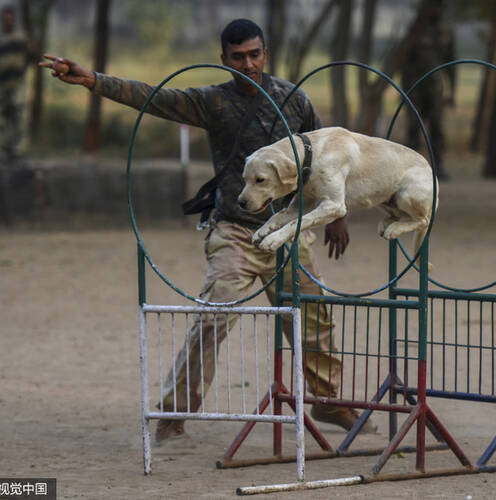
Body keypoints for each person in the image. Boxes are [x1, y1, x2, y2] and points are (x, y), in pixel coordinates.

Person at [41, 19, 375, 444]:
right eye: (238, 57)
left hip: (289, 231)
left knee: (313, 317)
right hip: (236, 231)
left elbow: (325, 156)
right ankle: (174, 413)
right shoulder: (212, 103)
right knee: (213, 316)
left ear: (265, 54)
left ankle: (329, 400)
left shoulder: (294, 100)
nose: (248, 64)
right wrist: (93, 80)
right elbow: (155, 99)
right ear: (224, 60)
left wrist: (337, 213)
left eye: (254, 55)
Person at [401, 0, 456, 180]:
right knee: (413, 129)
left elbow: (452, 64)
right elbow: (403, 60)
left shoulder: (446, 32)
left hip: (436, 89)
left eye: (439, 7)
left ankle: (437, 166)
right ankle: (411, 170)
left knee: (437, 128)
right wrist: (405, 91)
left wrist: (452, 91)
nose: (436, 10)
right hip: (414, 88)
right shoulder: (415, 30)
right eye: (433, 6)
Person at [0, 4, 29, 161]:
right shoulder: (1, 39)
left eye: (10, 19)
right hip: (2, 84)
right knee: (3, 119)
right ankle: (4, 151)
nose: (8, 22)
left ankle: (17, 152)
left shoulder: (21, 38)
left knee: (18, 117)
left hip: (17, 82)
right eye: (5, 19)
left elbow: (31, 56)